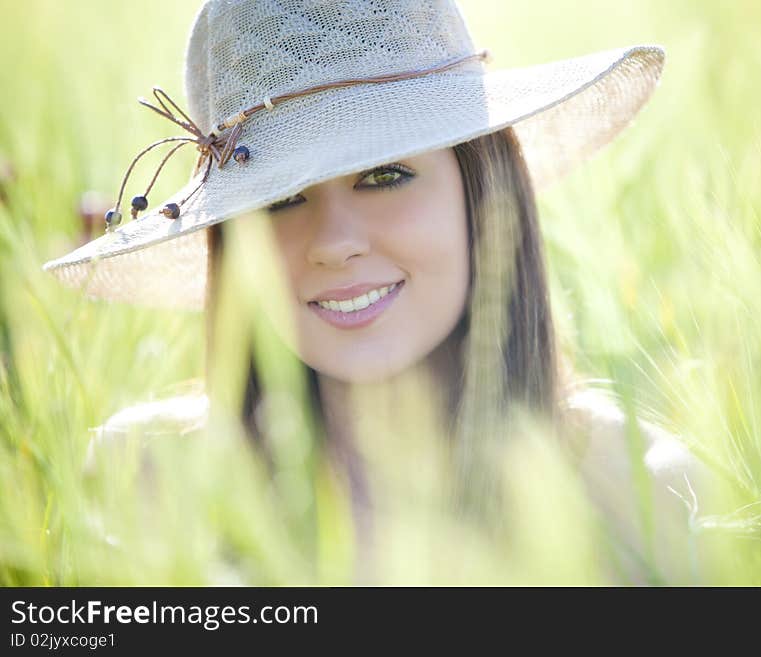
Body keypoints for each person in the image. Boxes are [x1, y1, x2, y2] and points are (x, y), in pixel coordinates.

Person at [44, 0, 706, 583]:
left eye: (385, 175)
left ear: (484, 193)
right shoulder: (146, 480)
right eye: (278, 199)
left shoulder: (643, 496)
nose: (334, 241)